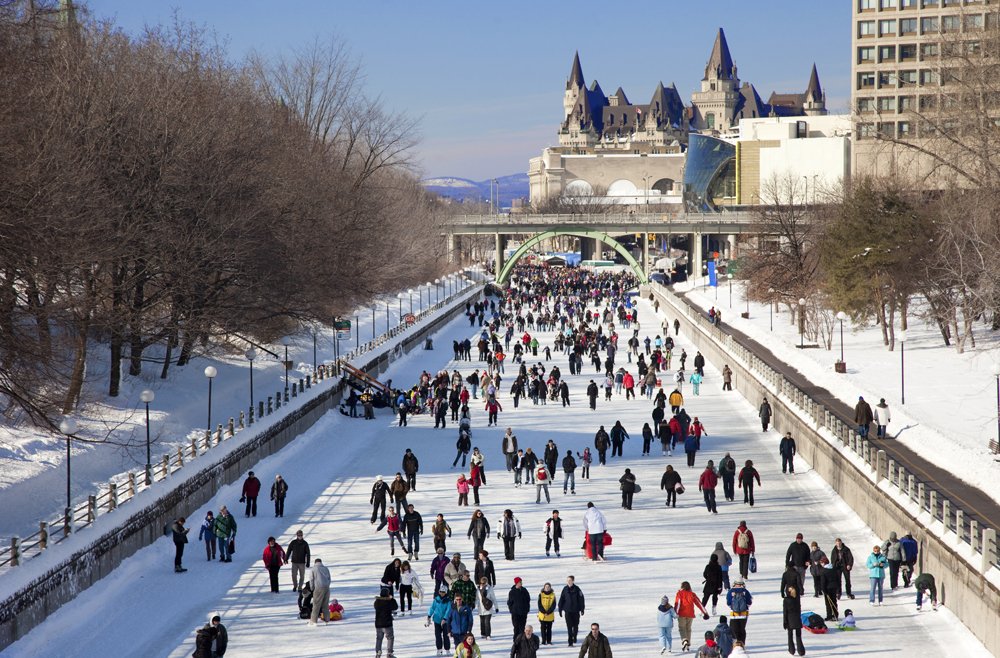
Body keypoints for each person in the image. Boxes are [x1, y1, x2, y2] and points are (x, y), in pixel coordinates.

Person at [675, 581, 709, 652]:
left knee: (682, 628)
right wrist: (705, 612)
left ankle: (684, 640)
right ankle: (688, 644)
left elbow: (678, 604)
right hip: (690, 614)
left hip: (681, 614)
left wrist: (676, 613)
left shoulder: (679, 594)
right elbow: (699, 603)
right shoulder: (692, 594)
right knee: (688, 629)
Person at [558, 575, 585, 647]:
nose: (568, 582)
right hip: (568, 611)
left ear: (573, 581)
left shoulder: (577, 589)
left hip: (576, 611)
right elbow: (562, 599)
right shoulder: (565, 589)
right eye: (567, 581)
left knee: (575, 626)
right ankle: (570, 641)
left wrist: (582, 609)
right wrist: (560, 609)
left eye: (570, 580)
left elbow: (581, 599)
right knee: (569, 626)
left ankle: (574, 636)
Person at [426, 584, 453, 656]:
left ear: (446, 592)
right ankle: (439, 649)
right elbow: (432, 608)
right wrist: (429, 615)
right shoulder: (436, 599)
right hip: (437, 620)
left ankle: (447, 649)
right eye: (441, 592)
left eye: (443, 592)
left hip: (445, 621)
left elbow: (448, 610)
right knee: (438, 636)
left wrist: (445, 618)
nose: (442, 593)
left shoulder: (448, 601)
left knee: (446, 635)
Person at [726, 578, 752, 645]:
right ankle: (742, 644)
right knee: (742, 630)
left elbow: (728, 603)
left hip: (734, 615)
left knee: (734, 631)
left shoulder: (731, 591)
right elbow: (749, 602)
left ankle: (735, 644)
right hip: (744, 615)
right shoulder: (745, 591)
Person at [374, 586, 398, 658]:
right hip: (387, 623)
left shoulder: (377, 601)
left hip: (378, 623)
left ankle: (378, 652)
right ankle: (389, 653)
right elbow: (395, 607)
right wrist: (392, 599)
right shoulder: (389, 601)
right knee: (390, 638)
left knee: (379, 638)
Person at [783, 586, 805, 656]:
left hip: (790, 619)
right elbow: (799, 609)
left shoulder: (786, 600)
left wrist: (785, 621)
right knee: (798, 636)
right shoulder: (797, 599)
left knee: (790, 635)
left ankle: (791, 650)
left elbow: (785, 612)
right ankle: (801, 651)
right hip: (797, 618)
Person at [309, 558, 332, 625]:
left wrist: (312, 588)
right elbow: (329, 579)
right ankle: (327, 620)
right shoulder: (326, 568)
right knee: (325, 605)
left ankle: (313, 621)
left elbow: (311, 579)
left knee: (316, 605)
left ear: (315, 563)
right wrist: (327, 585)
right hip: (327, 588)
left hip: (318, 588)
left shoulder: (313, 569)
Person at [478, 575, 499, 639]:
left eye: (484, 583)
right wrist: (474, 605)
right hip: (481, 608)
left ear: (486, 583)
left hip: (488, 608)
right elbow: (477, 599)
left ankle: (488, 634)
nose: (482, 584)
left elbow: (493, 598)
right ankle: (483, 633)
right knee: (482, 621)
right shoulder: (478, 589)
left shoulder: (490, 589)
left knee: (487, 622)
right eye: (481, 583)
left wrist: (496, 607)